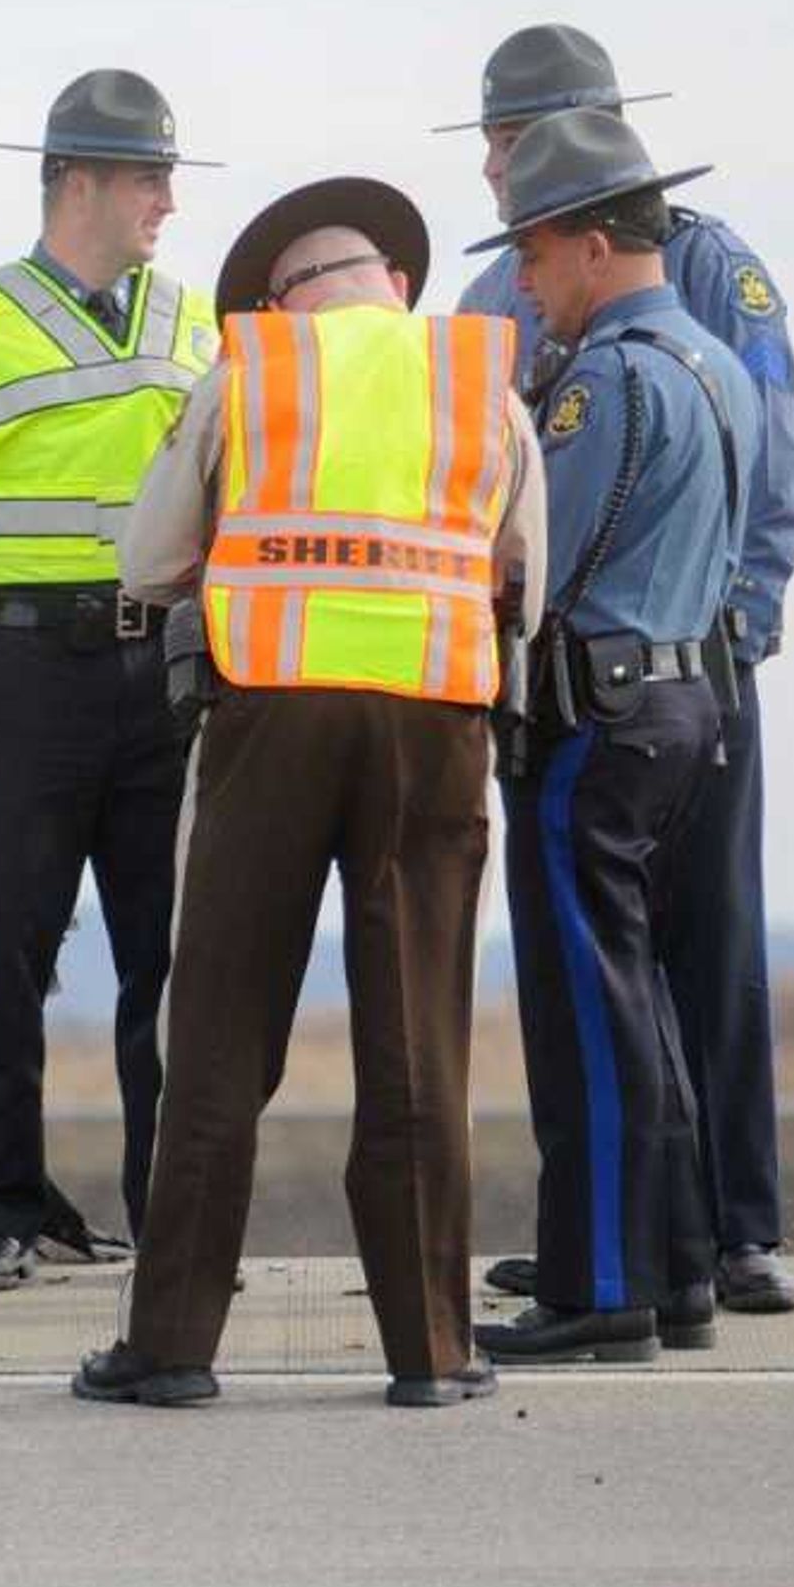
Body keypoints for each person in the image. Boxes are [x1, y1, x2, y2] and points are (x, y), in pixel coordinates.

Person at [69, 179, 543, 1409]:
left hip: (270, 715)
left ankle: (173, 1349)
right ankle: (433, 1353)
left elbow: (149, 558)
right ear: (393, 276)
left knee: (220, 1034)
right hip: (434, 727)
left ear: (286, 295)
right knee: (417, 1040)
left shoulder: (252, 376)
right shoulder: (478, 382)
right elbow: (522, 578)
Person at [444, 26, 794, 1314]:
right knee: (608, 985)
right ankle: (637, 1237)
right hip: (639, 677)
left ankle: (716, 1234)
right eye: (492, 144)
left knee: (689, 958)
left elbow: (762, 483)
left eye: (519, 145)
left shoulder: (705, 273)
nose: (500, 172)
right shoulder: (504, 294)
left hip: (654, 670)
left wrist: (722, 634)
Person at [0, 69, 220, 1290]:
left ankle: (172, 1215)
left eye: (170, 177)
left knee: (168, 960)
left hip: (164, 675)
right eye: (146, 177)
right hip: (25, 675)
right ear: (74, 180)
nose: (167, 201)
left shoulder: (199, 324)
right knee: (8, 947)